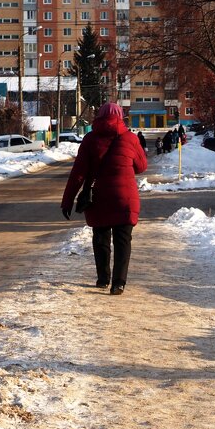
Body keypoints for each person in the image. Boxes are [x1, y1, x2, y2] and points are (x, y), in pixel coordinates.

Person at [61, 103, 147, 295]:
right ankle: (119, 283)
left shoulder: (90, 139)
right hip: (125, 198)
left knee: (101, 238)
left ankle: (102, 279)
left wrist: (67, 201)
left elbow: (78, 174)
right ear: (121, 117)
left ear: (98, 117)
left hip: (98, 197)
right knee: (123, 240)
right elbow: (141, 166)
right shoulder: (130, 139)